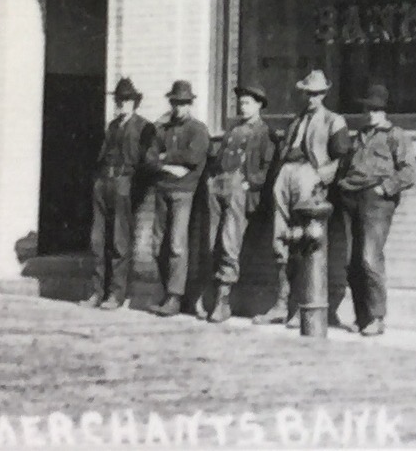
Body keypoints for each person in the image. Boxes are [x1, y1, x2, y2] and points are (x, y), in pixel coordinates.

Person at [256, 69, 345, 327]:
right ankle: (281, 304)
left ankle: (303, 306)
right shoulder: (295, 121)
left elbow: (341, 157)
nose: (311, 99)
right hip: (286, 174)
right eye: (308, 94)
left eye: (316, 94)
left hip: (310, 175)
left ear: (325, 94)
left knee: (305, 239)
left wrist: (320, 177)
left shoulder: (333, 120)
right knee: (281, 238)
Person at [330, 83, 416, 338]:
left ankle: (377, 317)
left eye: (376, 109)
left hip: (376, 200)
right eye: (368, 109)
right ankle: (362, 316)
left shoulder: (395, 135)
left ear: (385, 111)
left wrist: (385, 188)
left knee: (370, 258)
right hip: (351, 197)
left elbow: (409, 172)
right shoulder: (360, 136)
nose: (371, 114)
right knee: (351, 261)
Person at [200, 83, 277, 323]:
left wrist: (248, 184)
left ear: (259, 105)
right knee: (212, 241)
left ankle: (223, 302)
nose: (243, 107)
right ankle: (209, 297)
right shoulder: (234, 130)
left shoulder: (264, 132)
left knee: (229, 242)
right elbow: (220, 156)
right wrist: (212, 179)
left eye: (248, 103)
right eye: (241, 103)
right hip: (219, 185)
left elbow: (267, 167)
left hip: (239, 189)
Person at [143, 80, 211, 317]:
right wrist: (170, 166)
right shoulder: (162, 129)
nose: (178, 107)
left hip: (184, 192)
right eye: (175, 103)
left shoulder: (198, 130)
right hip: (163, 189)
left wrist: (165, 157)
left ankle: (175, 297)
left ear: (190, 104)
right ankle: (167, 292)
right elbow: (149, 159)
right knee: (157, 244)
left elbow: (194, 157)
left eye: (183, 103)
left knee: (176, 245)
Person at [88, 77, 156, 309]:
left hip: (125, 183)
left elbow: (148, 161)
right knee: (98, 240)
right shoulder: (113, 126)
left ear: (135, 102)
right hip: (104, 181)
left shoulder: (144, 127)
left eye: (127, 100)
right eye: (120, 100)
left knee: (119, 240)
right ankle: (97, 292)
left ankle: (116, 294)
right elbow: (101, 153)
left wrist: (133, 187)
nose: (123, 104)